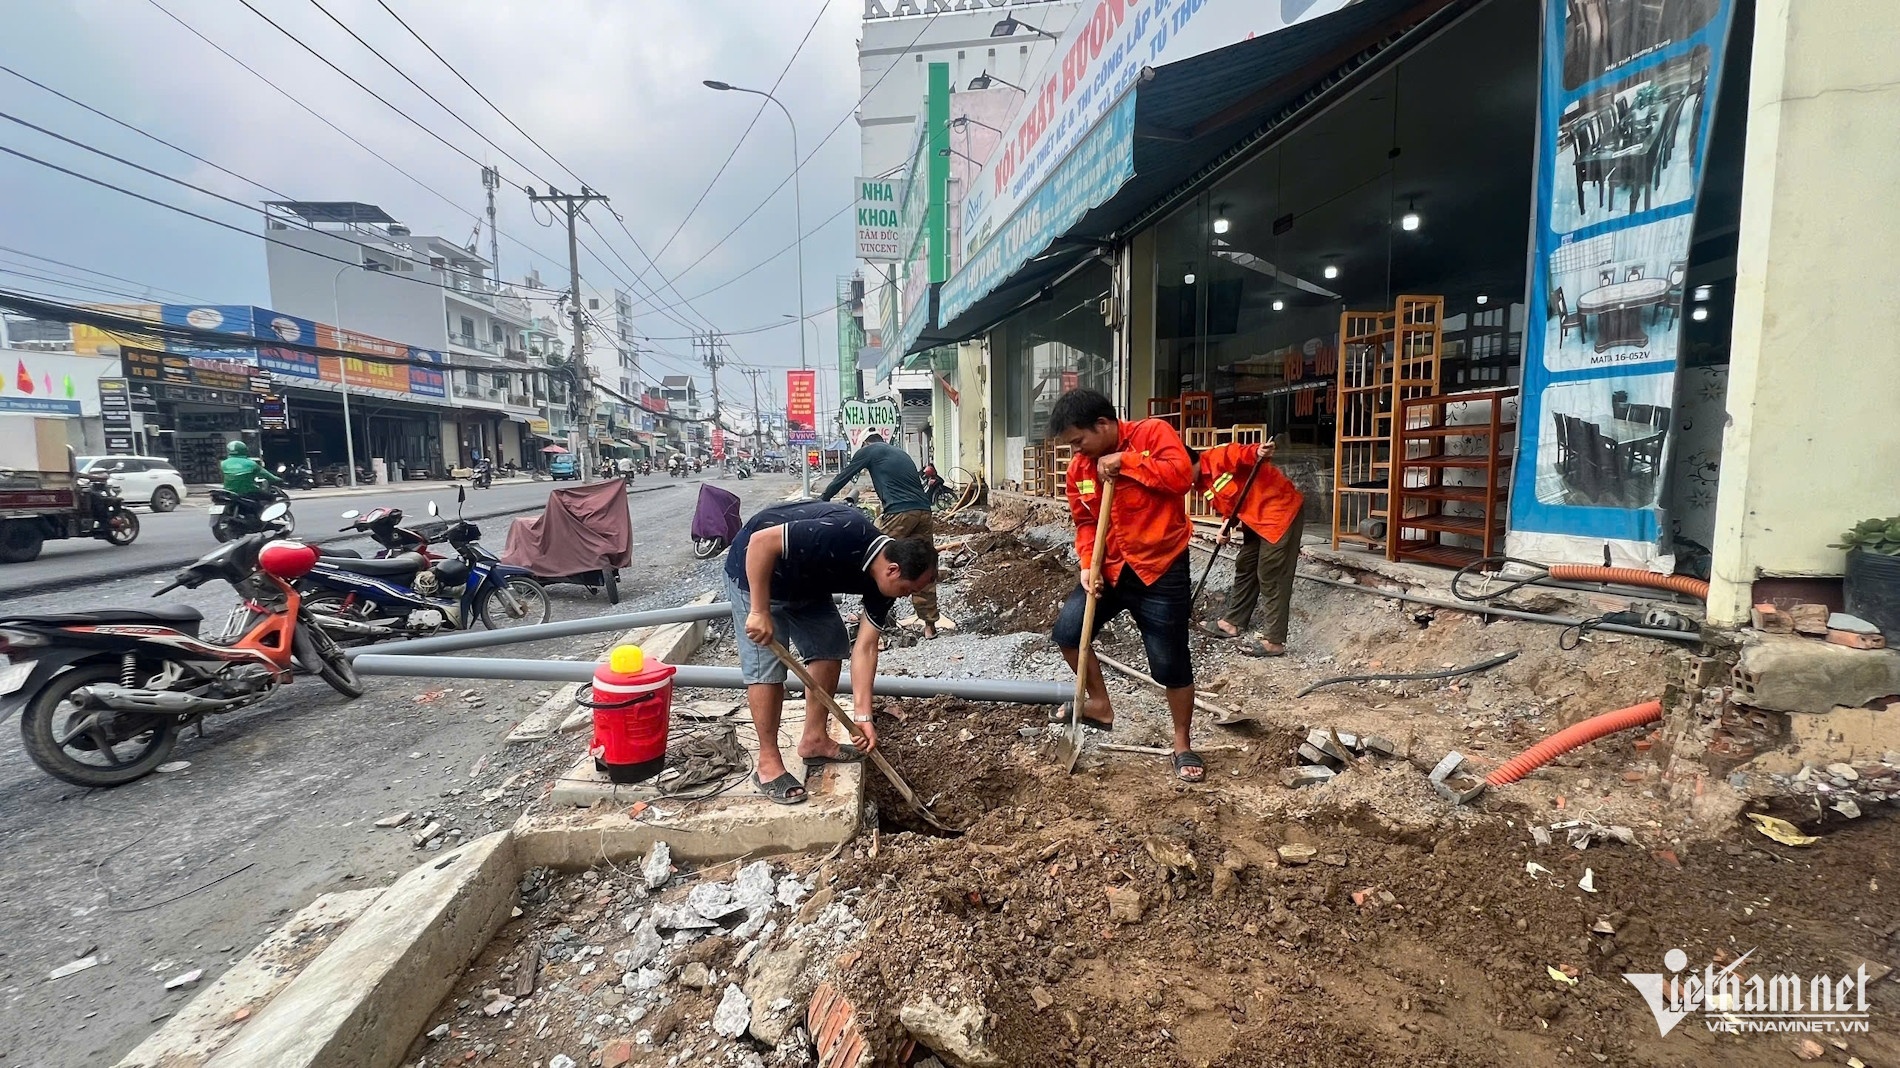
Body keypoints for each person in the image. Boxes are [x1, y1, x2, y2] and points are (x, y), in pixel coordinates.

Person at [725, 501, 939, 805]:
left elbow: (864, 648)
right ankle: (768, 763)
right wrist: (759, 611)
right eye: (908, 589)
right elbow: (761, 542)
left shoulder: (884, 587)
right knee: (766, 666)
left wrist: (863, 716)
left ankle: (814, 740)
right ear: (893, 570)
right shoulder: (845, 532)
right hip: (757, 572)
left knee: (829, 644)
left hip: (808, 585)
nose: (907, 596)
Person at [1045, 388, 1203, 783]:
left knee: (1169, 662)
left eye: (1080, 441)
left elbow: (1182, 477)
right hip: (1109, 568)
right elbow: (1084, 522)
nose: (1077, 452)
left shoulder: (1152, 435)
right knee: (1067, 631)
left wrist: (1128, 462)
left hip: (1160, 569)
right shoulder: (1080, 470)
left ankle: (1182, 743)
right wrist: (1087, 564)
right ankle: (1099, 703)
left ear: (1103, 424)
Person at [819, 433, 943, 637]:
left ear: (866, 443)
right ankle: (929, 625)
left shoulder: (869, 451)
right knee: (923, 565)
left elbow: (845, 475)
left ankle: (870, 616)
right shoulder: (900, 453)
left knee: (872, 557)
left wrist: (823, 499)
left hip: (899, 513)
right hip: (923, 511)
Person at [1192, 439, 1305, 656]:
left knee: (1271, 572)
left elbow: (1241, 453)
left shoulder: (1216, 457)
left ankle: (1274, 640)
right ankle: (1233, 622)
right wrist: (1227, 524)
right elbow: (1230, 503)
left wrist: (1258, 451)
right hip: (1253, 519)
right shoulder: (1200, 484)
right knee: (1246, 564)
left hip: (1278, 512)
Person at [220, 440, 284, 510]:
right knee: (270, 497)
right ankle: (262, 516)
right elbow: (268, 476)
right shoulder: (251, 464)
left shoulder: (223, 463)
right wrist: (279, 479)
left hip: (229, 492)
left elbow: (223, 477)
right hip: (248, 492)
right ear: (244, 450)